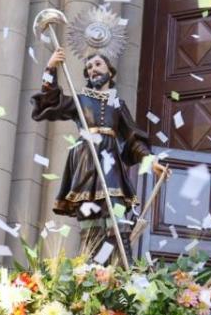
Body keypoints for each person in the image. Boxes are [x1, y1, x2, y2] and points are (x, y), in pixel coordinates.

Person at [31, 48, 168, 263]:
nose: (93, 70)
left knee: (118, 220)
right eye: (89, 68)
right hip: (86, 161)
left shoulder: (118, 105)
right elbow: (51, 100)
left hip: (110, 163)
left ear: (110, 72)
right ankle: (94, 270)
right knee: (91, 222)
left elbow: (133, 138)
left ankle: (119, 267)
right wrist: (51, 67)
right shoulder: (80, 100)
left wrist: (151, 161)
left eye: (97, 65)